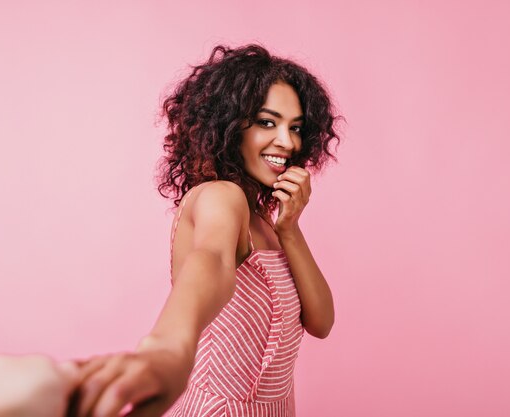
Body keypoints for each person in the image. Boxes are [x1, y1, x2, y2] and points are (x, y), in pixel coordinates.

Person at [78, 43, 340, 417]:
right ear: (229, 125)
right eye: (268, 122)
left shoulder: (266, 219)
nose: (287, 141)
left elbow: (321, 322)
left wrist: (291, 229)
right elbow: (212, 260)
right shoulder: (222, 196)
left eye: (295, 127)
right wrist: (165, 348)